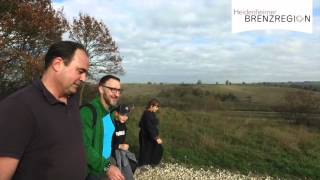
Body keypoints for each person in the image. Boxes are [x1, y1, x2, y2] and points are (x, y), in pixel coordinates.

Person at [0, 41, 89, 180]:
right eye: (80, 71)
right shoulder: (18, 107)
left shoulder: (72, 100)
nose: (84, 78)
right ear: (57, 64)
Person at [80, 75, 124, 180]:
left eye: (119, 90)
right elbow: (83, 147)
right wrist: (107, 167)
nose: (117, 94)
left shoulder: (111, 113)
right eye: (113, 90)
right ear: (101, 89)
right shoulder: (88, 112)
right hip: (92, 171)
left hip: (106, 164)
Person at [111, 104, 137, 180]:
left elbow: (122, 139)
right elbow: (106, 144)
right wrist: (119, 146)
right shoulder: (111, 125)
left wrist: (123, 145)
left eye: (126, 115)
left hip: (121, 151)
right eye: (122, 114)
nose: (124, 117)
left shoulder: (123, 125)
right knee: (115, 171)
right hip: (110, 153)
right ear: (116, 113)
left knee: (132, 163)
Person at [138, 98, 163, 168]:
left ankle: (154, 163)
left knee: (156, 148)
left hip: (150, 135)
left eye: (158, 107)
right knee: (145, 149)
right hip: (145, 136)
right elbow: (149, 127)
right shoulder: (146, 115)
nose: (157, 108)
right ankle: (142, 165)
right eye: (156, 107)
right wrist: (156, 137)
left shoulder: (151, 113)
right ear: (151, 106)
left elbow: (153, 124)